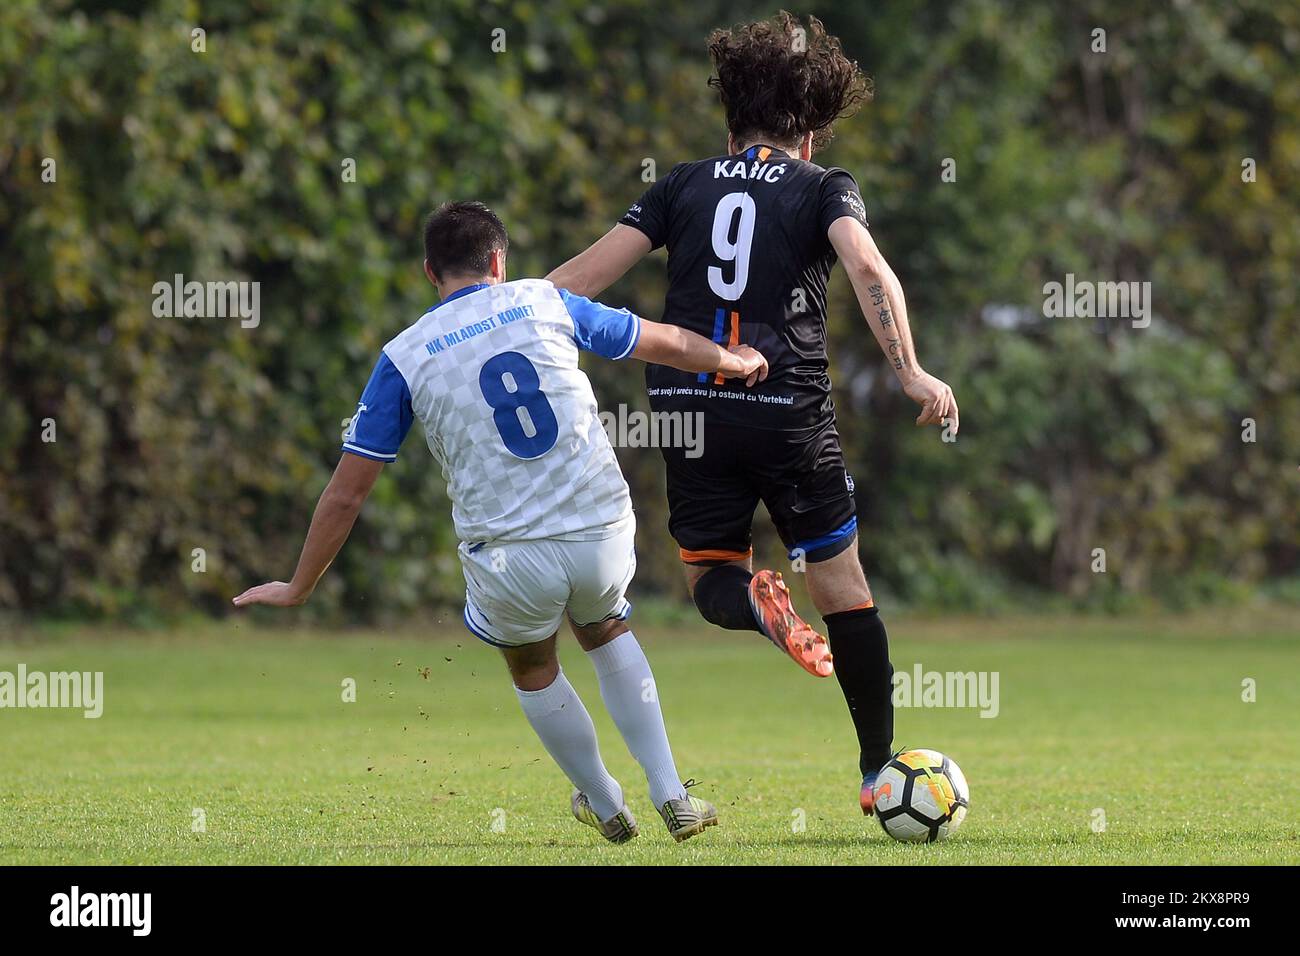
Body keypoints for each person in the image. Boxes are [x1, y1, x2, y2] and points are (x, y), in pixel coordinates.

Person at [233, 200, 769, 843]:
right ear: (498, 259)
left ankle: (604, 803)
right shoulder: (545, 301)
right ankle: (672, 793)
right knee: (605, 628)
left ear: (430, 272)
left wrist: (299, 585)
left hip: (509, 556)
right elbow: (660, 340)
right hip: (600, 530)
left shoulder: (403, 355)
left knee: (532, 664)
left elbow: (346, 495)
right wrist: (730, 360)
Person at [546, 13, 960, 814]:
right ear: (809, 135)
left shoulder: (680, 185)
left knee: (708, 580)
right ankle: (878, 771)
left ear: (731, 123)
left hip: (690, 403)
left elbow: (576, 283)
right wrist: (909, 370)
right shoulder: (823, 187)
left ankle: (757, 609)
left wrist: (498, 314)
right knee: (843, 588)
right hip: (788, 408)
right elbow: (867, 264)